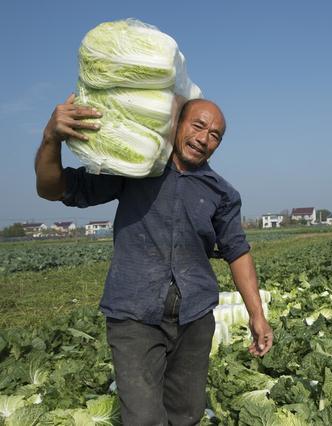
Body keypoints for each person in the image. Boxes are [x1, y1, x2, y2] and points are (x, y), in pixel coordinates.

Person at [35, 94, 273, 425]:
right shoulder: (134, 169)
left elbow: (237, 251)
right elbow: (53, 188)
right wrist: (51, 137)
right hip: (134, 314)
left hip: (194, 317)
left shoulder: (222, 193)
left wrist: (257, 315)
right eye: (198, 125)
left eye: (215, 135)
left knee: (186, 414)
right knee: (144, 418)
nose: (204, 138)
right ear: (176, 124)